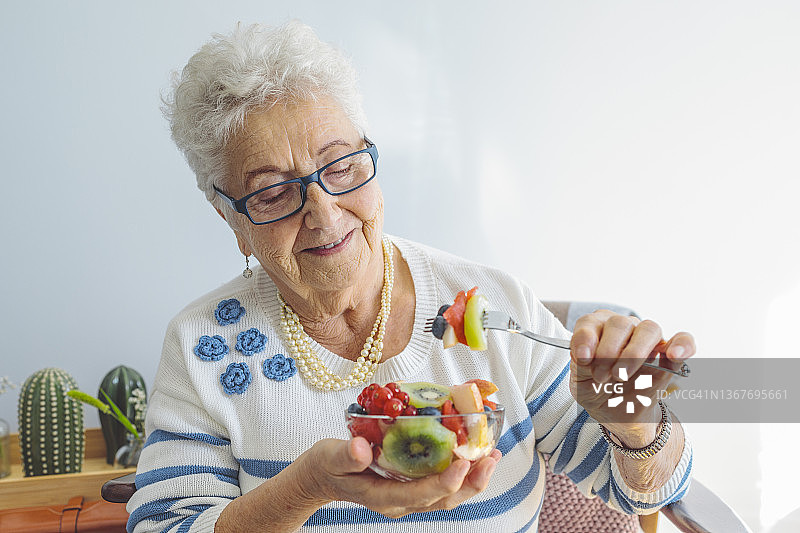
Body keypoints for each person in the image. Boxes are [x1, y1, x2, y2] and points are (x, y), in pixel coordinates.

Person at [128, 21, 694, 532]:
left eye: (342, 165)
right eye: (274, 191)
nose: (324, 213)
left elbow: (649, 487)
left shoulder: (495, 305)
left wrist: (637, 423)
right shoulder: (201, 347)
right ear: (230, 217)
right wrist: (305, 489)